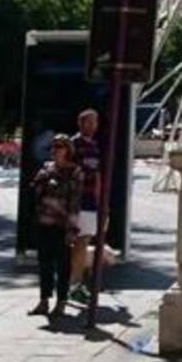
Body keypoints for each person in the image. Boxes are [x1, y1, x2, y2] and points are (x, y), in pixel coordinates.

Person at [29, 134, 83, 316]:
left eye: (60, 146)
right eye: (53, 146)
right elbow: (36, 192)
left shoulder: (74, 172)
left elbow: (75, 202)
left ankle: (61, 301)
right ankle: (43, 300)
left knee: (63, 264)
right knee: (44, 263)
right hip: (44, 221)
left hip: (62, 224)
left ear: (68, 150)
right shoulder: (46, 169)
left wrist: (72, 228)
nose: (55, 150)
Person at [70, 109, 102, 303]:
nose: (91, 126)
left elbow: (97, 175)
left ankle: (75, 282)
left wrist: (100, 202)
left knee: (84, 241)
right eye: (88, 122)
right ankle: (73, 284)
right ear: (80, 124)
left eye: (94, 122)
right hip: (76, 200)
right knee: (78, 242)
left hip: (90, 200)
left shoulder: (95, 146)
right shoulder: (74, 145)